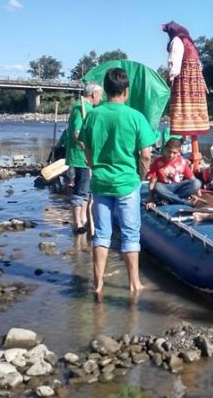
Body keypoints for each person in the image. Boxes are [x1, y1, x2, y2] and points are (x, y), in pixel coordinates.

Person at [79, 68, 156, 298]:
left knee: (102, 234)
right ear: (126, 91)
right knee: (130, 235)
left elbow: (86, 147)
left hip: (101, 182)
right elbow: (145, 154)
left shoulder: (93, 114)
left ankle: (98, 285)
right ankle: (134, 284)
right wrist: (141, 176)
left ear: (107, 89)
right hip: (127, 183)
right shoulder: (135, 116)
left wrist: (94, 167)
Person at [162, 21, 210, 167]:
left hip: (185, 76)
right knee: (194, 107)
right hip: (195, 78)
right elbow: (199, 65)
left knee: (183, 107)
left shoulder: (177, 41)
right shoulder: (190, 43)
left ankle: (191, 157)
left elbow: (174, 60)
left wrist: (172, 76)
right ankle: (191, 153)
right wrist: (202, 83)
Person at [66, 82, 103, 235]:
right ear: (93, 94)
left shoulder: (88, 109)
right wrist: (88, 151)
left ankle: (84, 220)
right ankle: (78, 222)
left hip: (85, 157)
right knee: (81, 190)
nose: (100, 99)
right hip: (80, 157)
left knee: (87, 191)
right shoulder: (80, 109)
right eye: (100, 95)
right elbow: (76, 133)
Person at [145, 138, 201, 206]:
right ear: (165, 149)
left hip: (178, 188)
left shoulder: (182, 162)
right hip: (165, 188)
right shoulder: (157, 162)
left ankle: (171, 199)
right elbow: (152, 183)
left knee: (197, 183)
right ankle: (182, 202)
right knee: (158, 186)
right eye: (169, 151)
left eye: (174, 153)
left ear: (179, 152)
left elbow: (192, 179)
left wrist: (199, 196)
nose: (171, 155)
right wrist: (151, 199)